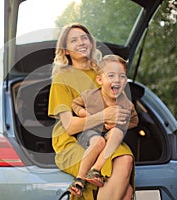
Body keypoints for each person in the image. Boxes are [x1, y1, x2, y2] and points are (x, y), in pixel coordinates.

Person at [48, 22, 135, 200]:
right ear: (65, 50)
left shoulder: (105, 71)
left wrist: (117, 119)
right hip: (72, 141)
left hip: (105, 135)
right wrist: (104, 116)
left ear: (91, 43)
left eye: (84, 38)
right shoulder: (61, 79)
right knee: (123, 192)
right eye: (73, 40)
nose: (80, 42)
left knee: (126, 161)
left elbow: (121, 107)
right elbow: (70, 127)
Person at [71, 54, 139, 190]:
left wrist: (119, 125)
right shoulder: (90, 96)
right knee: (99, 142)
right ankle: (79, 178)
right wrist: (85, 114)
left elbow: (135, 121)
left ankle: (95, 170)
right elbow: (75, 104)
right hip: (90, 133)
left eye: (122, 76)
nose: (117, 80)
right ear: (100, 80)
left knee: (117, 132)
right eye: (111, 76)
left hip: (108, 135)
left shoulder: (126, 104)